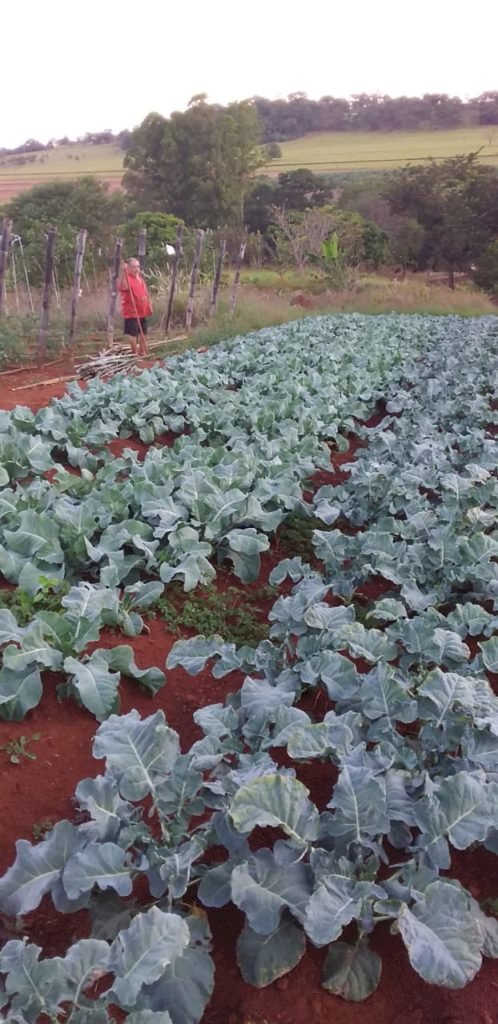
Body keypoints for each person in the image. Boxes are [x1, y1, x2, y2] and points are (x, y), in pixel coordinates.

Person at [118, 258, 152, 356]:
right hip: (131, 311)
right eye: (133, 267)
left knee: (143, 331)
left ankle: (142, 351)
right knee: (133, 333)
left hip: (142, 310)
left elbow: (146, 293)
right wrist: (123, 272)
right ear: (128, 268)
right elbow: (123, 287)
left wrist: (149, 305)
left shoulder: (140, 279)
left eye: (137, 266)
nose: (136, 269)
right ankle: (135, 353)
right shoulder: (126, 278)